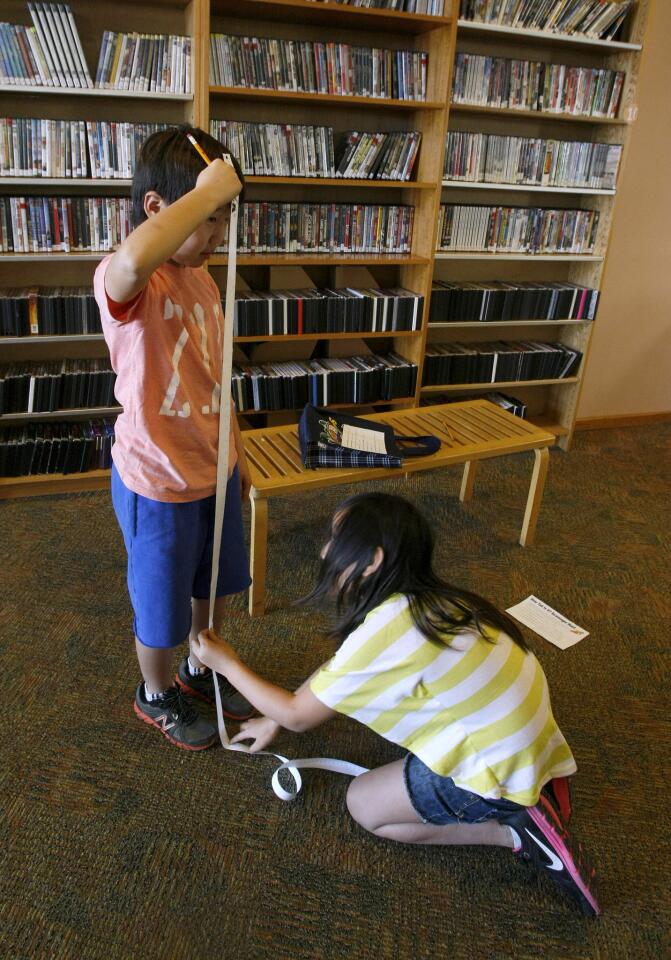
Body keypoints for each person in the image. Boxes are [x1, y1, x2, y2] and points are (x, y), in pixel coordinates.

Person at [193, 492, 600, 916]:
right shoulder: (432, 601)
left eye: (337, 539)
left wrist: (228, 664)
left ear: (372, 561)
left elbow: (300, 716)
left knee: (364, 805)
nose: (325, 549)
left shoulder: (387, 631)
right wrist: (273, 718)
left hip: (497, 766)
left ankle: (514, 831)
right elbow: (337, 670)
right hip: (523, 738)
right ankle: (529, 788)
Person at [94, 125, 254, 750]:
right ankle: (154, 690)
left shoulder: (204, 281)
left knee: (210, 587)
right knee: (160, 611)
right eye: (208, 219)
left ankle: (199, 666)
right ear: (159, 208)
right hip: (156, 480)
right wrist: (202, 193)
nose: (217, 235)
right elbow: (135, 259)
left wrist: (234, 452)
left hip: (210, 470)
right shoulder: (130, 276)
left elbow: (216, 373)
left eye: (223, 220)